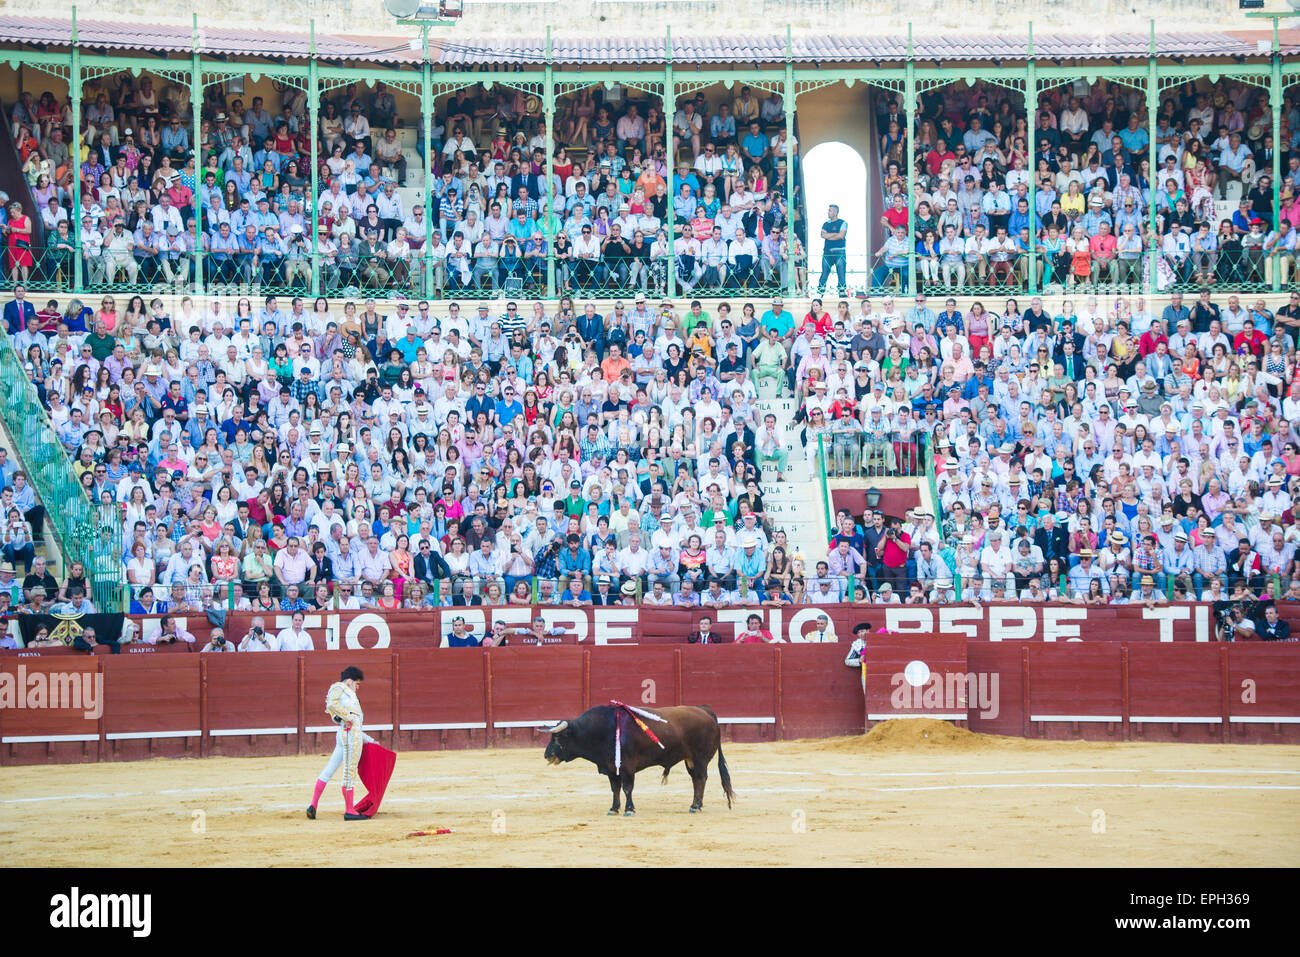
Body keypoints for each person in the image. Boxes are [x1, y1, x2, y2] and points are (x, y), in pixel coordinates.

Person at [307, 666, 376, 821]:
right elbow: (331, 705)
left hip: (346, 734)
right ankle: (349, 810)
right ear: (350, 681)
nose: (358, 687)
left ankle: (313, 805)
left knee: (330, 769)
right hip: (348, 736)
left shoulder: (351, 698)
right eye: (357, 684)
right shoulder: (340, 687)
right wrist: (346, 717)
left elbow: (354, 726)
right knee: (349, 771)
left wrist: (370, 740)